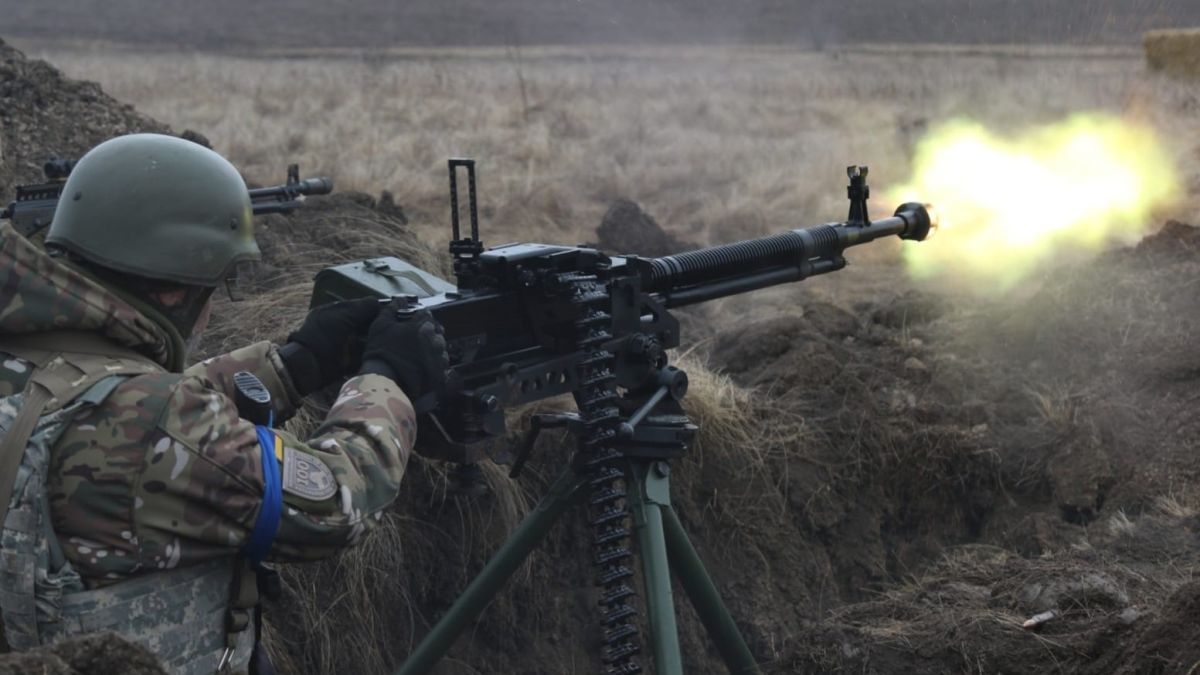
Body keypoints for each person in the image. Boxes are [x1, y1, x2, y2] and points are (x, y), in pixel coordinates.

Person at [0, 133, 448, 674]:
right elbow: (333, 505)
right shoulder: (154, 423)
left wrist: (290, 367)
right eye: (219, 285)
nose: (212, 308)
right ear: (174, 291)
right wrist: (386, 379)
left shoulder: (26, 355)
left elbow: (109, 403)